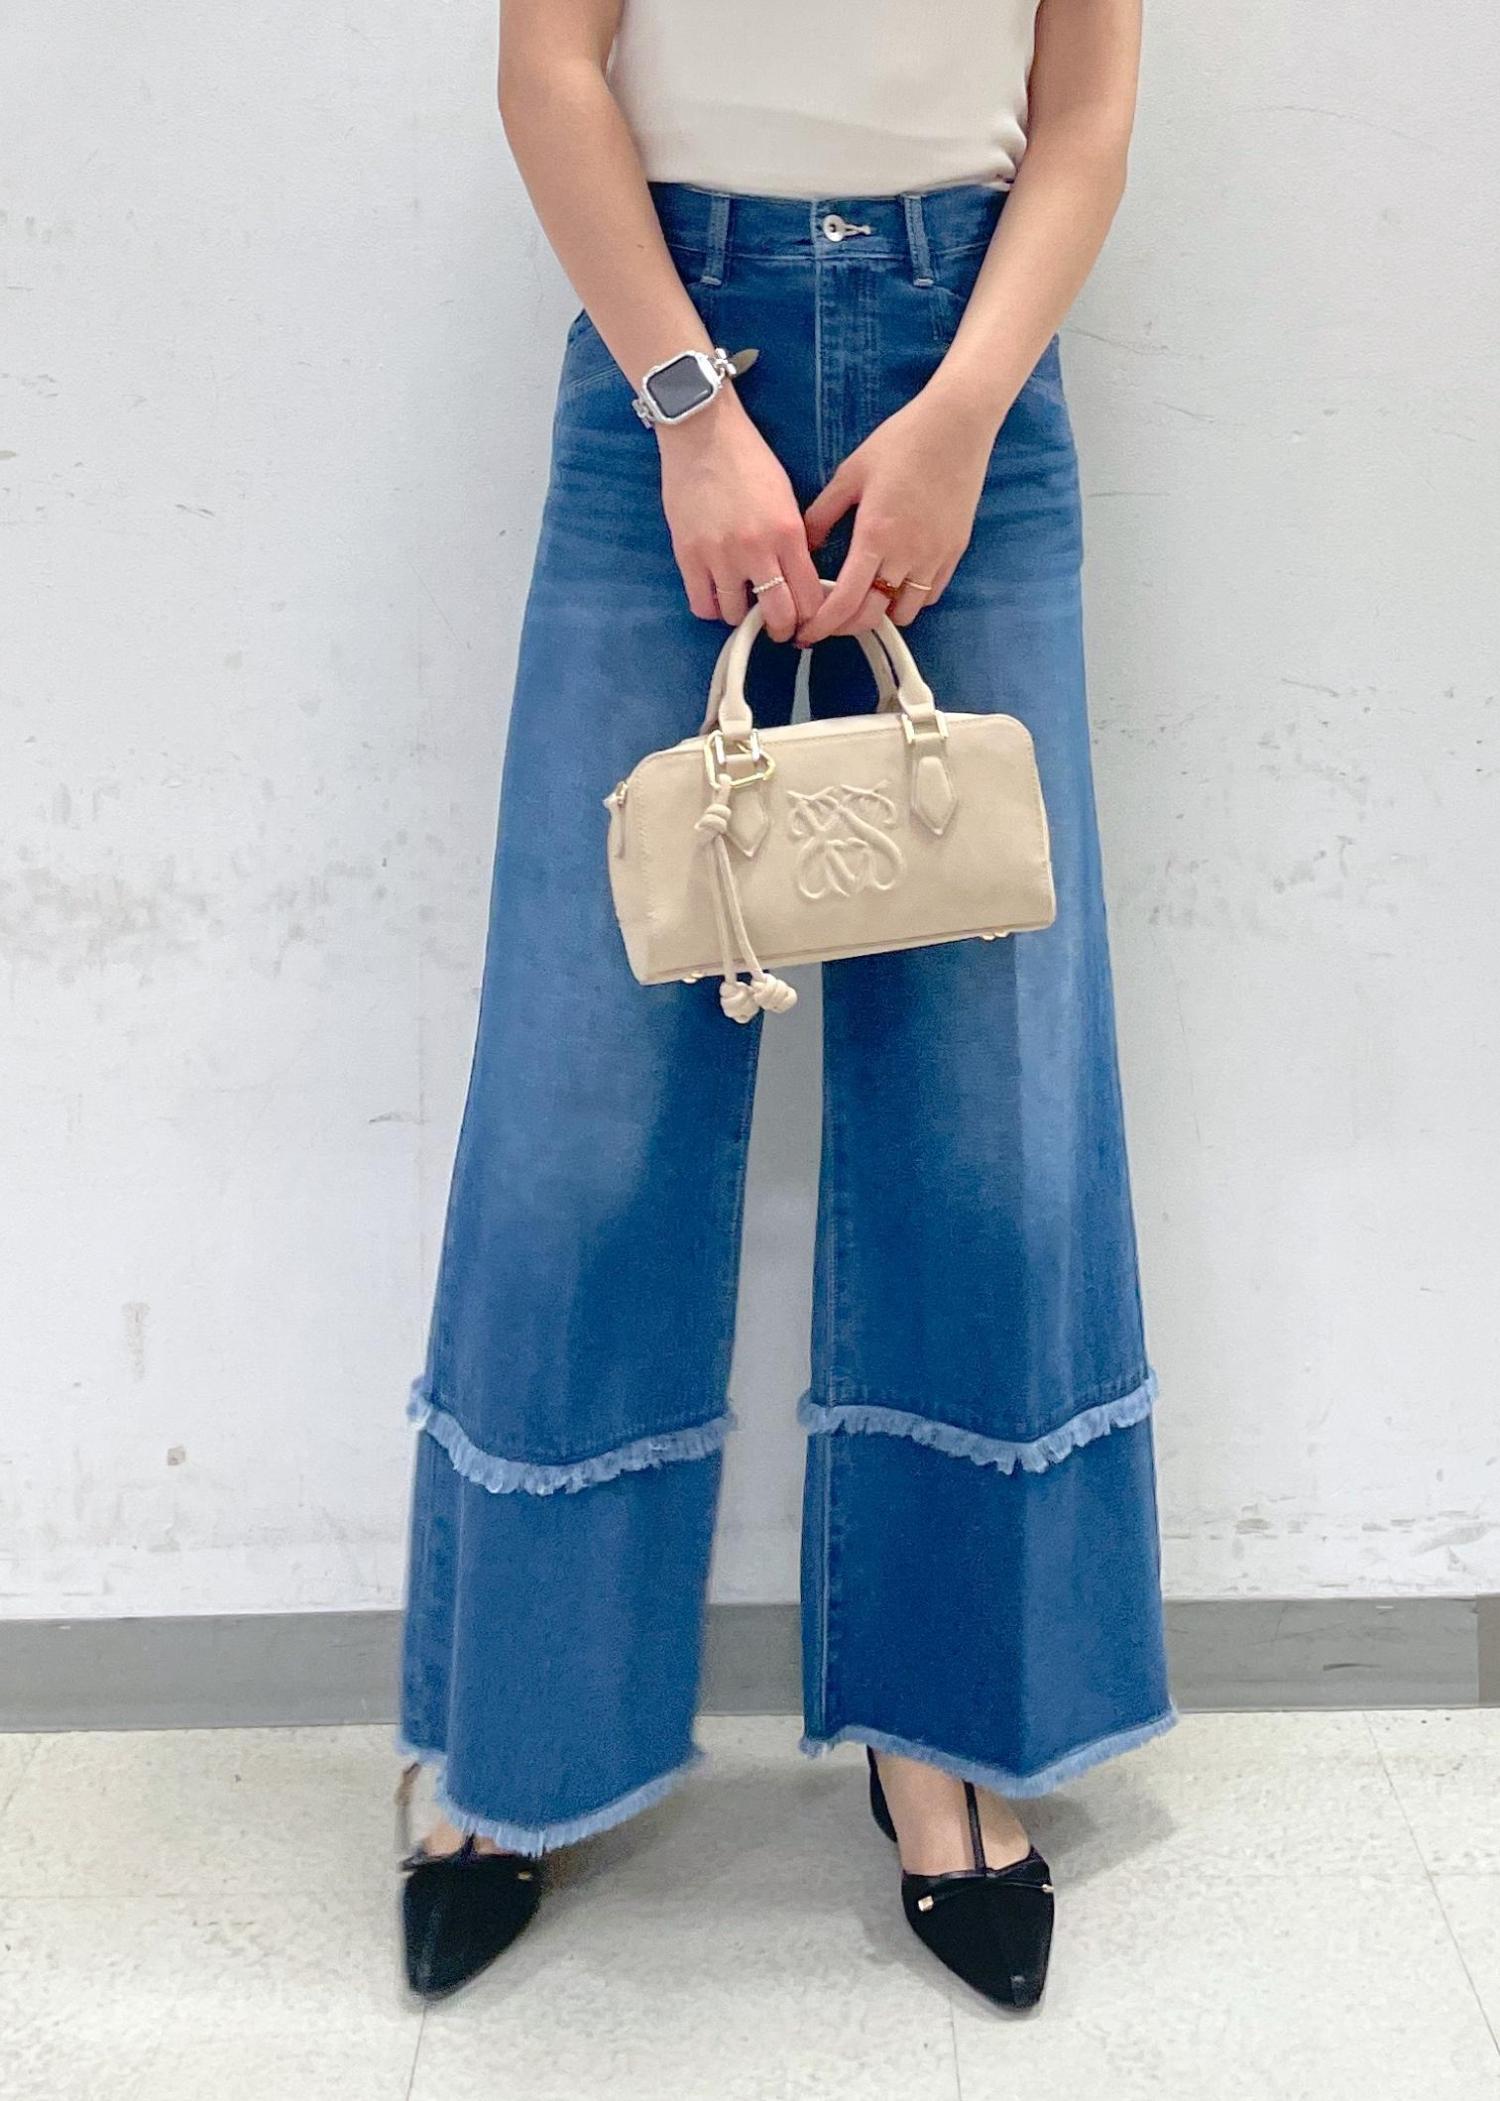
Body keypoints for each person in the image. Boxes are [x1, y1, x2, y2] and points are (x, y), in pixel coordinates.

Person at [395, 0, 1173, 2012]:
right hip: (670, 342)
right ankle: (513, 1729)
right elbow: (548, 65)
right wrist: (686, 404)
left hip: (969, 361)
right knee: (584, 1080)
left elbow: (1085, 109)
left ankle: (954, 1724)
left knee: (992, 1091)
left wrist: (960, 414)